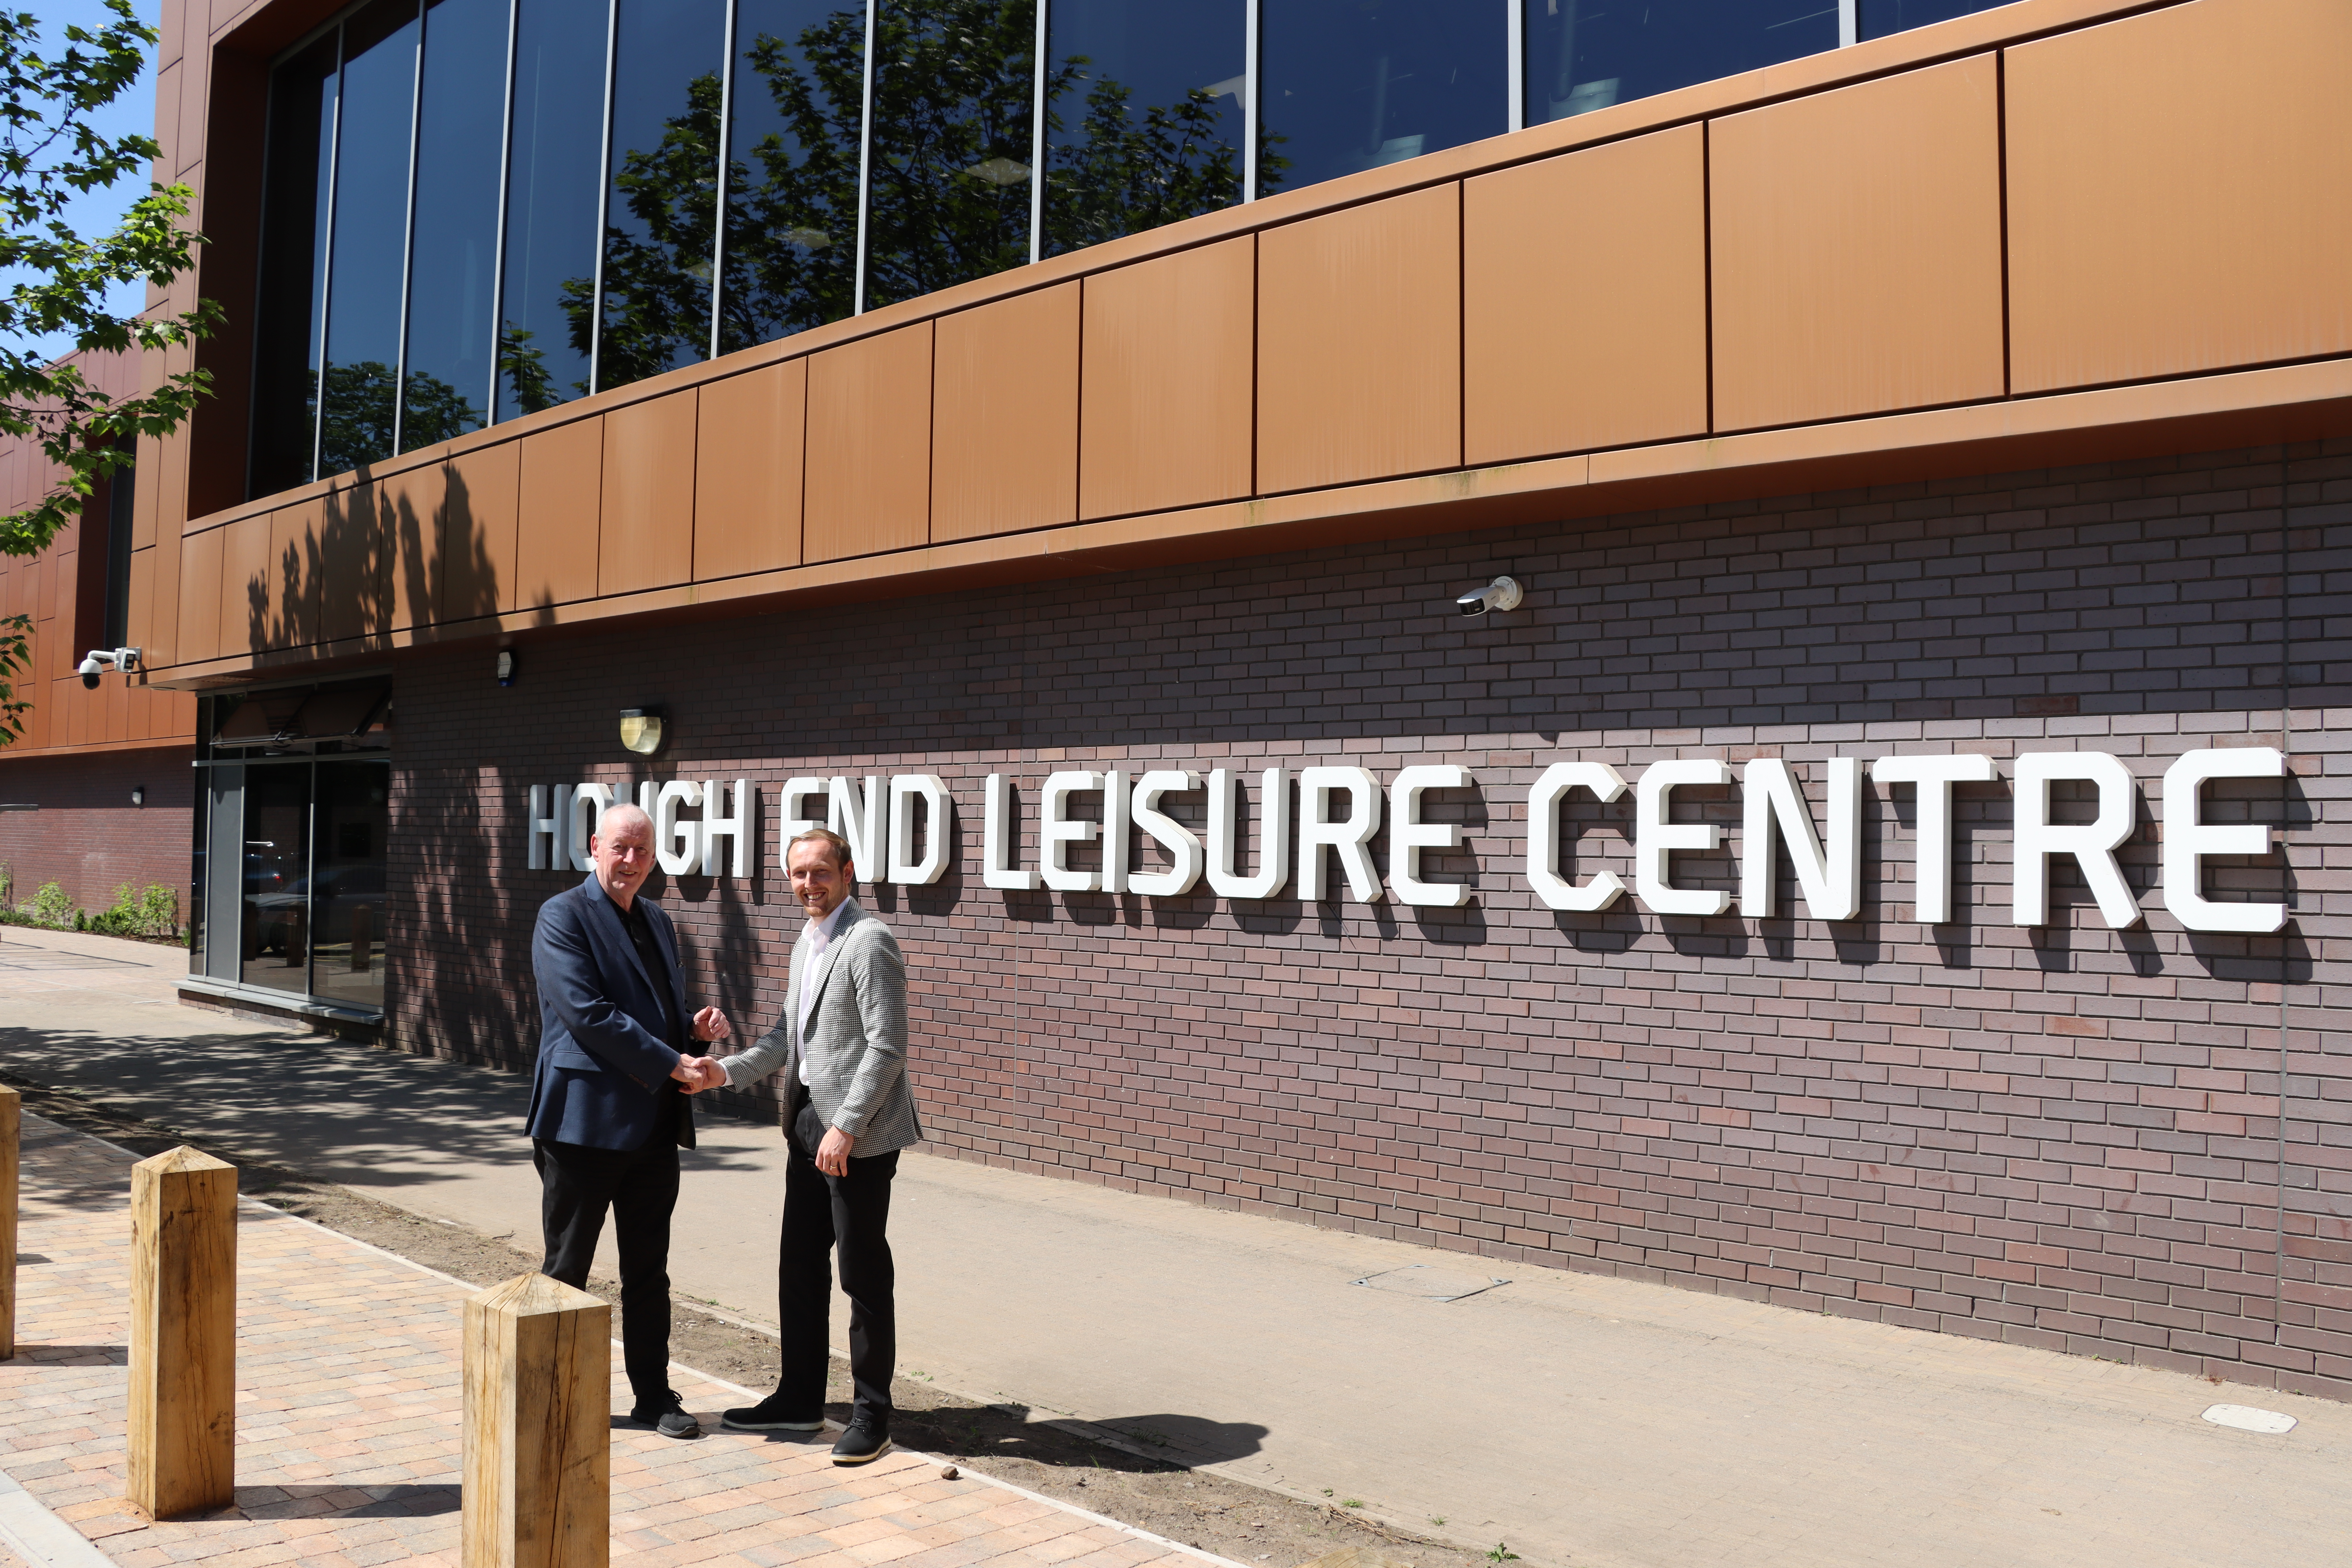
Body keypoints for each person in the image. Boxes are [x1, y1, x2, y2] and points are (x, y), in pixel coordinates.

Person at [685, 826, 921, 1464]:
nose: (808, 885)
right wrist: (721, 1072)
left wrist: (846, 1125)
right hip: (807, 1125)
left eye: (821, 872)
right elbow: (786, 1040)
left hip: (859, 1134)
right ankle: (799, 1398)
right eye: (798, 875)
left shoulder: (870, 942)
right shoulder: (809, 941)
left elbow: (888, 1047)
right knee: (800, 1266)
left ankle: (874, 1414)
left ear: (848, 871)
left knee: (863, 1276)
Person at [527, 801, 733, 1440]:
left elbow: (651, 1017)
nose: (631, 861)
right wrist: (674, 1061)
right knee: (568, 1270)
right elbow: (589, 1015)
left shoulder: (659, 922)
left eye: (643, 851)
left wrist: (691, 1036)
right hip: (581, 1127)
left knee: (649, 1269)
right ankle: (549, 1399)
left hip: (650, 1128)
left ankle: (653, 1396)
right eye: (620, 847)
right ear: (595, 846)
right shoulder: (562, 915)